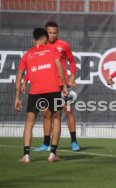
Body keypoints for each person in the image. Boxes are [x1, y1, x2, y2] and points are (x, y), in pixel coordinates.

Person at [21, 21, 80, 151]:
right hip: (49, 87)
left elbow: (72, 61)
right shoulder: (41, 46)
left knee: (68, 111)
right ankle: (46, 144)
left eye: (55, 33)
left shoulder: (64, 45)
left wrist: (72, 76)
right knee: (47, 114)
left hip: (63, 86)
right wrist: (25, 80)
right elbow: (34, 67)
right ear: (45, 33)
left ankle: (74, 141)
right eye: (50, 33)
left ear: (57, 32)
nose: (52, 35)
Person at [15, 28, 68, 163]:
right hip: (53, 90)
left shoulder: (27, 54)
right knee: (56, 119)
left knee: (29, 122)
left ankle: (26, 155)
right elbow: (59, 67)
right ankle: (52, 154)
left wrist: (17, 97)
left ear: (34, 40)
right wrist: (65, 85)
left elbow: (19, 75)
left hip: (35, 92)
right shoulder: (52, 50)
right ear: (45, 38)